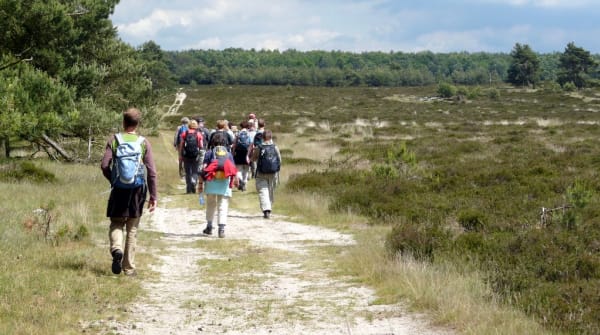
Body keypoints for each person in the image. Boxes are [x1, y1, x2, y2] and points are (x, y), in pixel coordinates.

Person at [100, 107, 158, 276]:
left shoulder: (114, 139)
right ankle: (129, 268)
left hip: (119, 189)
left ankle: (116, 249)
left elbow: (104, 165)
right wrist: (153, 196)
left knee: (116, 222)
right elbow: (152, 171)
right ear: (137, 123)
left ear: (123, 122)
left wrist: (114, 180)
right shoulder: (143, 142)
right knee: (132, 228)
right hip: (137, 190)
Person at [199, 132, 239, 238]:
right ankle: (221, 229)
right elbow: (233, 169)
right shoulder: (229, 154)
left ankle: (209, 226)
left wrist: (200, 183)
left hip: (211, 181)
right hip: (224, 182)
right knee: (223, 205)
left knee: (211, 204)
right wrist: (235, 180)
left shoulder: (209, 153)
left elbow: (204, 168)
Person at [251, 130, 281, 219]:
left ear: (262, 138)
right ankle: (269, 207)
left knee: (263, 190)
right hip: (273, 172)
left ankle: (266, 210)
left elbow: (254, 158)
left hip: (261, 172)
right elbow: (279, 159)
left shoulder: (259, 147)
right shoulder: (275, 147)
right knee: (271, 191)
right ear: (271, 137)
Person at [179, 119, 203, 194]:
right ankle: (194, 181)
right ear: (196, 126)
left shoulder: (184, 133)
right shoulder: (198, 134)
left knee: (187, 172)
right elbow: (201, 146)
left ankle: (188, 188)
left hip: (186, 155)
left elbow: (181, 145)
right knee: (195, 171)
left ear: (189, 125)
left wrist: (180, 155)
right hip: (195, 155)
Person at [232, 120, 252, 191]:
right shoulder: (249, 133)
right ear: (247, 126)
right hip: (247, 153)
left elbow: (234, 144)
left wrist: (233, 152)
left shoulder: (238, 133)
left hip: (238, 153)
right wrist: (249, 155)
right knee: (246, 170)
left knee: (238, 169)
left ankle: (241, 181)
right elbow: (251, 144)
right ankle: (245, 183)